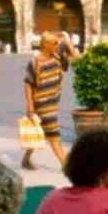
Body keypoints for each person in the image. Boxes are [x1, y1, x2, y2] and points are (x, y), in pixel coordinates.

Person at [22, 31, 76, 170]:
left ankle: (26, 159)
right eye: (54, 44)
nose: (56, 46)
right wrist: (30, 105)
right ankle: (65, 165)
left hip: (53, 102)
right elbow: (28, 84)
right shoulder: (34, 63)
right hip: (42, 102)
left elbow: (75, 58)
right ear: (45, 45)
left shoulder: (57, 58)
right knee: (53, 133)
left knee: (39, 131)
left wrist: (67, 40)